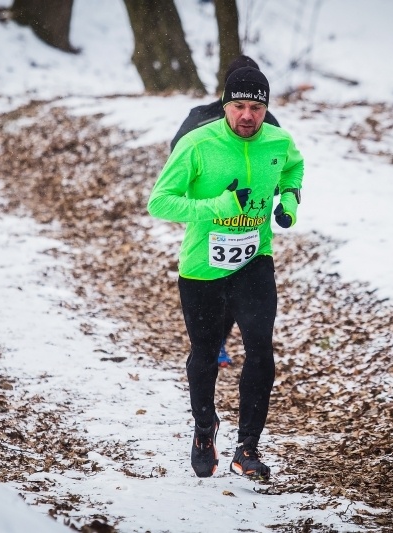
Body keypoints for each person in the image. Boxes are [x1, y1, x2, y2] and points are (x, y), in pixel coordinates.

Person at [148, 67, 304, 481]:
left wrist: (288, 200)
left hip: (255, 262)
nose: (247, 115)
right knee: (205, 355)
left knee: (260, 351)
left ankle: (247, 449)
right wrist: (215, 207)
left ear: (266, 109)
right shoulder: (198, 145)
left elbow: (293, 170)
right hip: (202, 269)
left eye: (256, 107)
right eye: (238, 106)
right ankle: (204, 430)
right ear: (225, 105)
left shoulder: (279, 140)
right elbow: (160, 202)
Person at [169, 54, 282, 368]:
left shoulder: (267, 122)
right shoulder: (201, 117)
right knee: (215, 276)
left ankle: (213, 342)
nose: (248, 113)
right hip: (209, 214)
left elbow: (281, 164)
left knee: (237, 278)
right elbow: (177, 154)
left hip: (247, 220)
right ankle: (209, 343)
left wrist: (276, 193)